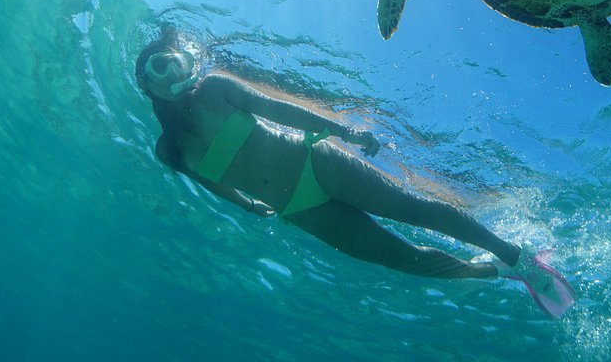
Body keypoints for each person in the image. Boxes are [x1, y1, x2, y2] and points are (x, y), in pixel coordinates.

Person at [133, 27, 576, 319]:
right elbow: (210, 182)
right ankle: (496, 272)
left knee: (412, 208)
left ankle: (519, 257)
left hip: (314, 162)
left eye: (173, 59)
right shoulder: (167, 150)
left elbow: (278, 110)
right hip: (299, 210)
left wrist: (342, 131)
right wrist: (248, 204)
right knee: (400, 259)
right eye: (158, 65)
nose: (171, 69)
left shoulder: (214, 87)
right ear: (146, 84)